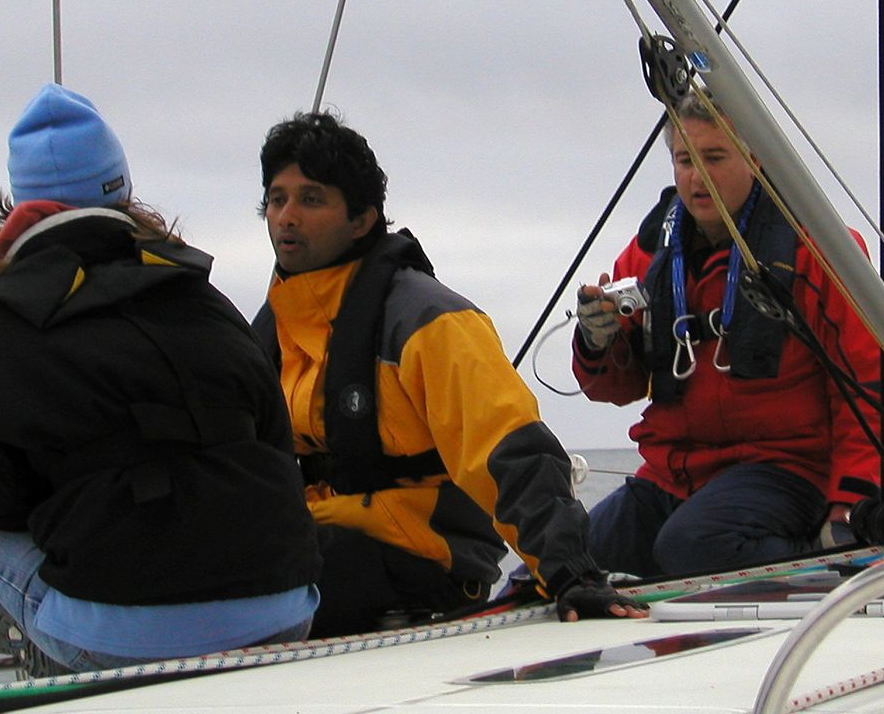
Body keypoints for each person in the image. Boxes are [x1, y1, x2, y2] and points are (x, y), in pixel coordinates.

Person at [0, 83, 321, 674]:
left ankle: (48, 657)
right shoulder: (202, 296)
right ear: (121, 190)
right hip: (283, 610)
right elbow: (275, 443)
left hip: (123, 641)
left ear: (18, 207)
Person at [252, 111, 646, 635]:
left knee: (251, 578)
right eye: (277, 199)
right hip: (315, 534)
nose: (286, 217)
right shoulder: (276, 329)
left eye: (311, 199)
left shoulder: (428, 321)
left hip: (419, 554)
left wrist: (570, 573)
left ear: (362, 219)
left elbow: (507, 445)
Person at [572, 90, 884, 578]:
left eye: (715, 157)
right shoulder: (647, 256)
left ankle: (819, 560)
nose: (696, 177)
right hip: (675, 474)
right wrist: (597, 342)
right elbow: (616, 389)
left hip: (786, 469)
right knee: (567, 560)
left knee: (692, 546)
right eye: (685, 160)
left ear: (755, 158)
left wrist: (851, 505)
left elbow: (871, 383)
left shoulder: (817, 249)